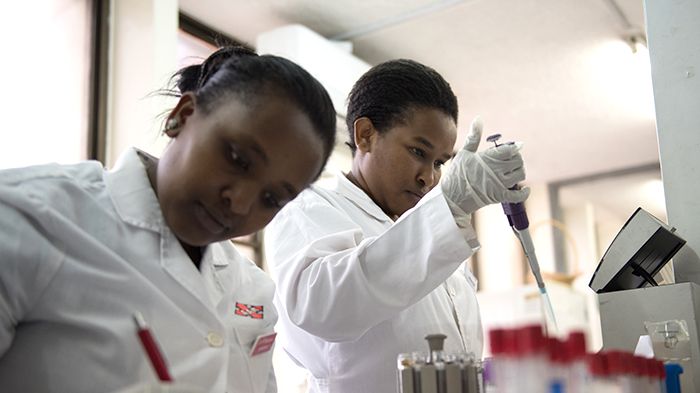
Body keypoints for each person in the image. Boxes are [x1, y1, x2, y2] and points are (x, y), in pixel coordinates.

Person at [0, 46, 337, 393]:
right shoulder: (30, 218)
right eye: (237, 159)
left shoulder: (252, 289)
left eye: (271, 199)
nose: (239, 204)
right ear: (184, 115)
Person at [264, 59, 530, 392]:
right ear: (365, 135)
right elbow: (323, 308)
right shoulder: (310, 208)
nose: (429, 178)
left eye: (439, 163)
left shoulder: (430, 226)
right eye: (418, 151)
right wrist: (448, 207)